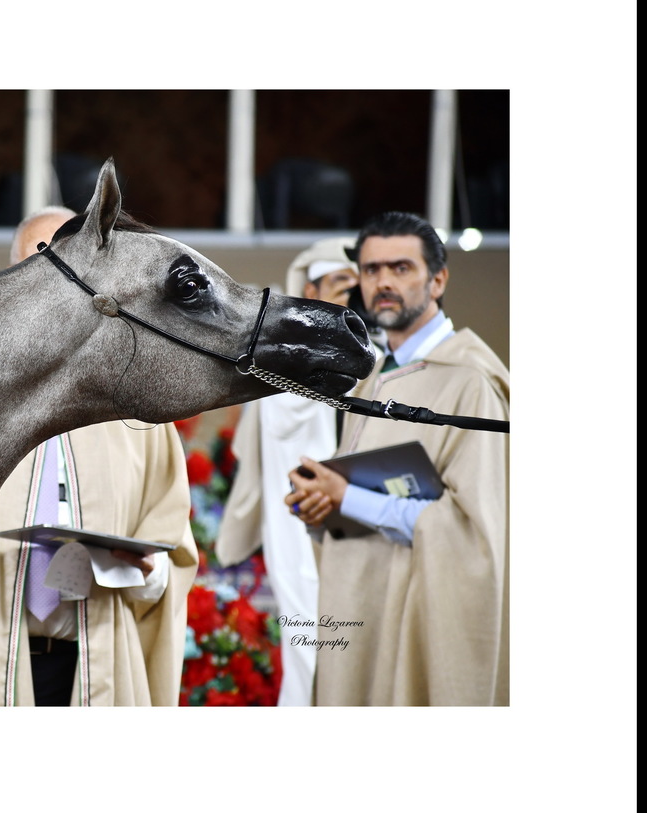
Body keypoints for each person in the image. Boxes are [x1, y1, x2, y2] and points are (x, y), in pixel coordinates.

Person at [0, 205, 200, 705]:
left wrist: (146, 569)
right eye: (40, 263)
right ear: (13, 279)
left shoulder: (137, 410)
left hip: (95, 658)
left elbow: (171, 556)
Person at [284, 211, 510, 706]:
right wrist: (323, 502)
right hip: (361, 604)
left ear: (438, 279)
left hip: (417, 615)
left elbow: (476, 534)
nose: (383, 282)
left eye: (401, 268)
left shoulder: (471, 383)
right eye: (370, 270)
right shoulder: (373, 378)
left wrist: (350, 497)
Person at [214, 236, 364, 707]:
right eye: (340, 285)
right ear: (312, 290)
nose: (348, 298)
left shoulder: (373, 356)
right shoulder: (285, 360)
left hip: (360, 518)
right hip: (297, 519)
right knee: (310, 637)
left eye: (353, 288)